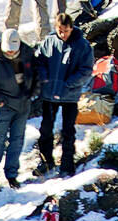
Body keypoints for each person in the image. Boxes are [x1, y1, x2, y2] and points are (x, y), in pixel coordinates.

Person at [0, 27, 39, 191]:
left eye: (13, 50)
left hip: (23, 105)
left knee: (17, 141)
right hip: (3, 106)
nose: (10, 53)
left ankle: (12, 175)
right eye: (8, 50)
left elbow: (38, 74)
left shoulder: (28, 53)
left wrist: (33, 93)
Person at [36, 12, 93, 177]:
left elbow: (86, 70)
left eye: (66, 31)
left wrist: (69, 83)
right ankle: (46, 161)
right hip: (49, 93)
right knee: (45, 129)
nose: (63, 34)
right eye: (60, 31)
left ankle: (67, 164)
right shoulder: (48, 41)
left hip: (70, 95)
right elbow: (39, 61)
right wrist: (44, 78)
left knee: (68, 130)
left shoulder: (83, 45)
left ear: (71, 28)